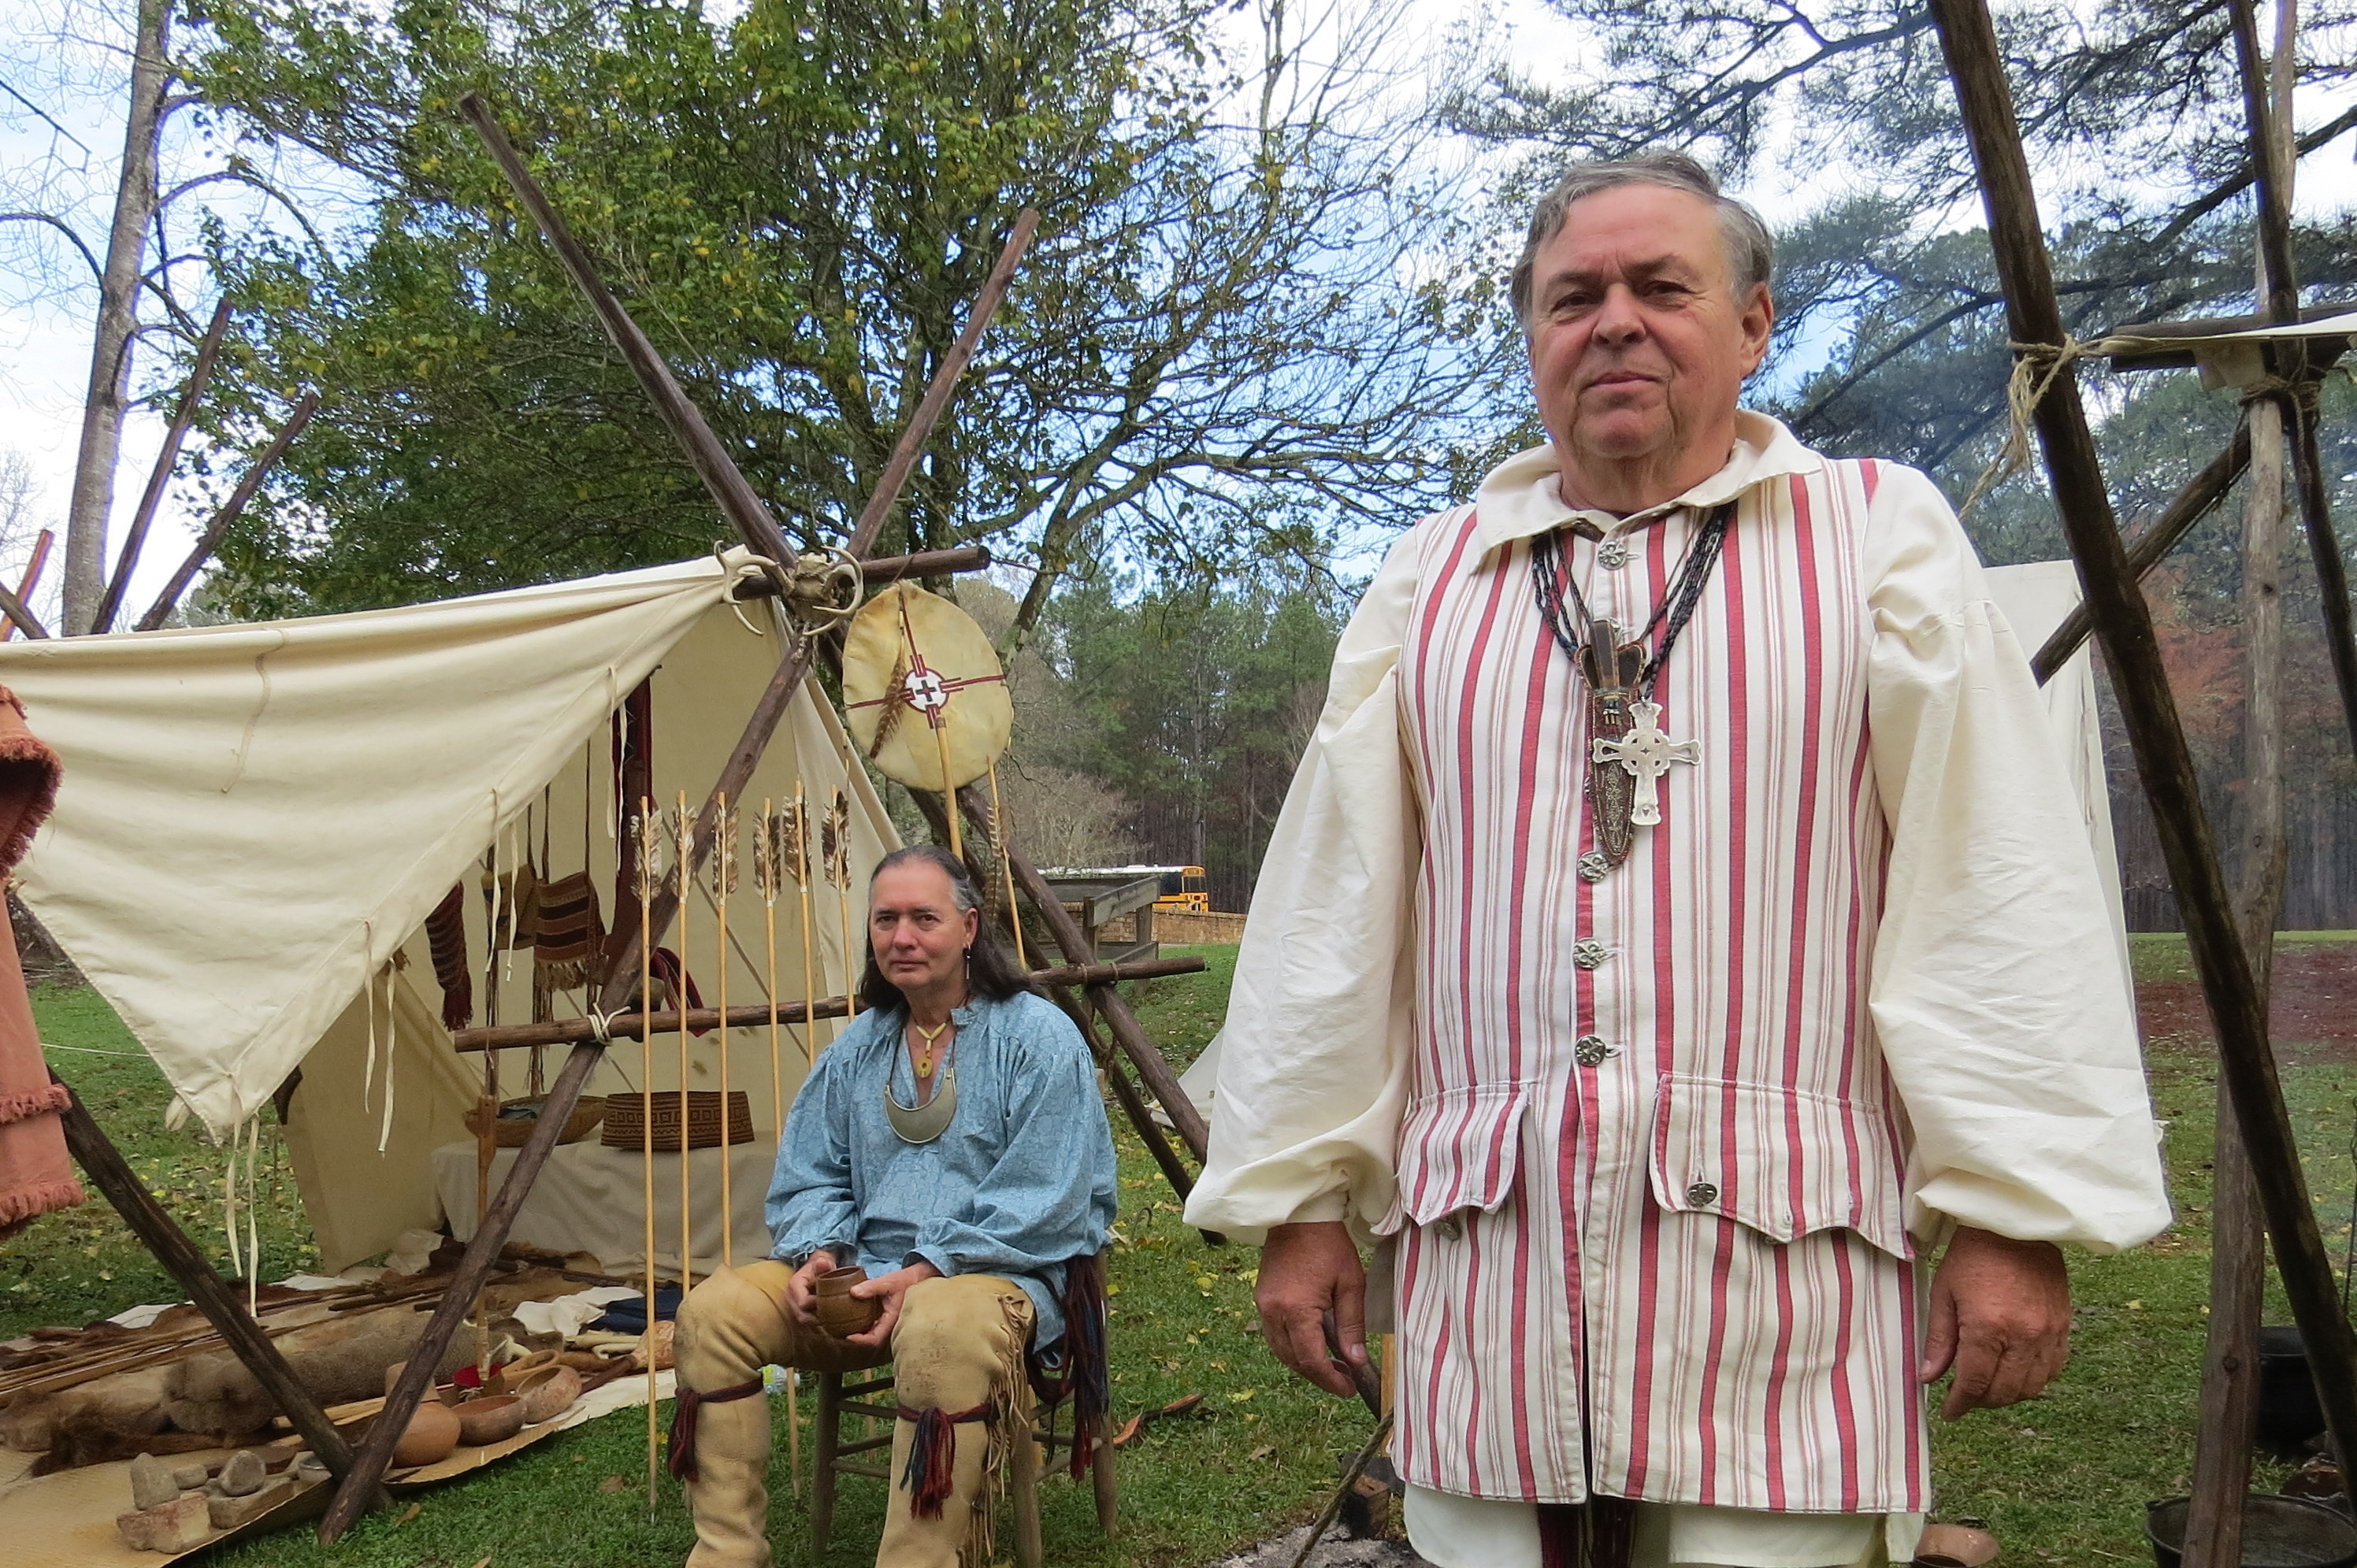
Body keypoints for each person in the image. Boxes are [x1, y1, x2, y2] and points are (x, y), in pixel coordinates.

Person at [1182, 153, 2172, 1568]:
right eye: (1572, 296)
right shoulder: (1432, 576)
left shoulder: (1876, 535)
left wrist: (2009, 1212)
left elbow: (1993, 877)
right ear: (1532, 335)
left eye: (1661, 287)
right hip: (1492, 1276)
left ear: (1756, 324)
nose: (1615, 323)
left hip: (1776, 1288)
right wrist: (1296, 1203)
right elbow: (1331, 914)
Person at [671, 844, 1117, 1568]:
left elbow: (1047, 1197)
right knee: (714, 1311)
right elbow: (811, 1173)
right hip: (867, 1279)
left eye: (923, 918)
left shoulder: (1038, 1038)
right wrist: (821, 1252)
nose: (901, 936)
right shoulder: (857, 1048)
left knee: (941, 1324)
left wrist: (926, 1269)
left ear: (969, 928)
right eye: (886, 919)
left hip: (999, 1273)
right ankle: (726, 1553)